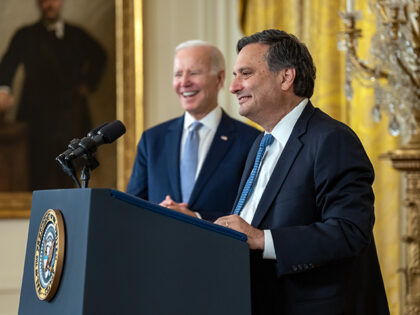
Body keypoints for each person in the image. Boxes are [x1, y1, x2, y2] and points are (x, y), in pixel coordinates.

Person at [214, 29, 389, 314]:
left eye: (245, 74)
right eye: (235, 75)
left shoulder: (331, 139)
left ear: (286, 77)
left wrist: (262, 239)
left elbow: (350, 231)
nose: (233, 87)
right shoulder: (260, 143)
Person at [127, 40, 260, 221]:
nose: (184, 82)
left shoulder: (251, 140)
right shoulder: (152, 140)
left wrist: (196, 217)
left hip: (219, 247)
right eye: (178, 74)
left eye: (194, 73)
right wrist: (158, 213)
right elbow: (131, 209)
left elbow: (254, 214)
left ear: (220, 79)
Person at [0, 0, 106, 190]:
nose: (50, 5)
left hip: (71, 118)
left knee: (72, 176)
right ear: (38, 4)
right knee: (40, 175)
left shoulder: (77, 35)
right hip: (37, 120)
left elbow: (100, 56)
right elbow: (7, 66)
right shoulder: (26, 35)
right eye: (44, 0)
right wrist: (5, 91)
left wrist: (87, 84)